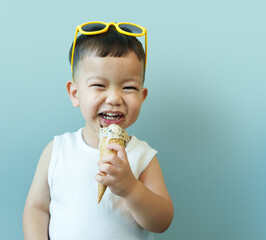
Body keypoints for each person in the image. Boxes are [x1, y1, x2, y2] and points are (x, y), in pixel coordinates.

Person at [23, 21, 174, 240]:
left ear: (142, 96)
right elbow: (36, 208)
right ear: (75, 93)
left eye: (129, 87)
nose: (114, 98)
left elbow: (162, 221)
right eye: (99, 85)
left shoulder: (142, 156)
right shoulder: (57, 150)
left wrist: (130, 189)